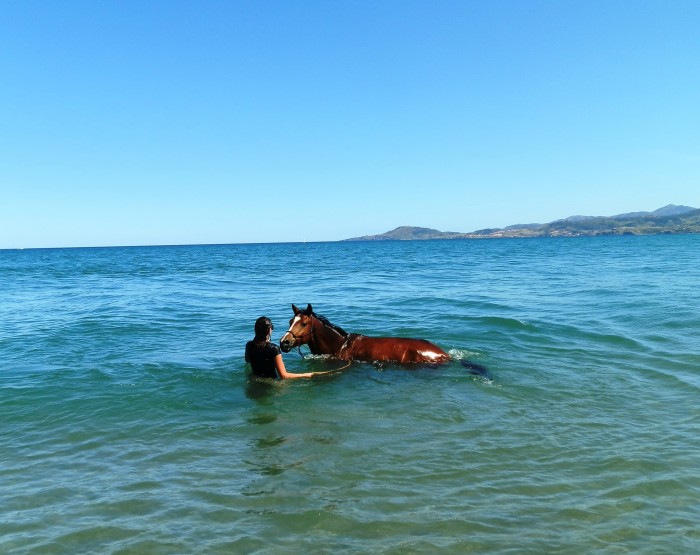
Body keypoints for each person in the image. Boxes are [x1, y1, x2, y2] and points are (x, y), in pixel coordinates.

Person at [245, 316, 325, 379]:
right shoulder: (273, 349)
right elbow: (284, 376)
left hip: (255, 381)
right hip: (271, 385)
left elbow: (248, 361)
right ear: (269, 330)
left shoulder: (249, 345)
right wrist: (308, 375)